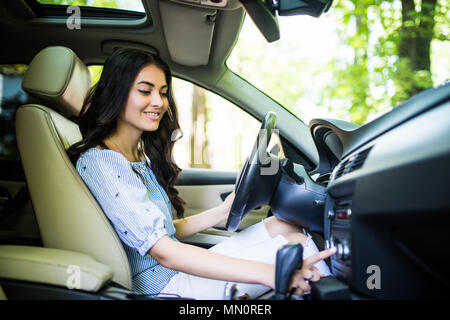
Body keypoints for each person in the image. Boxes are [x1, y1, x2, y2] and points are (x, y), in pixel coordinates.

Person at [68, 48, 336, 300]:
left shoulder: (136, 156)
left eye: (162, 93)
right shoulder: (103, 163)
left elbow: (166, 230)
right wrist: (271, 274)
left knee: (284, 226)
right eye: (145, 91)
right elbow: (164, 252)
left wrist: (223, 211)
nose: (158, 102)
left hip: (174, 272)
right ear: (117, 93)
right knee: (301, 246)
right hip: (163, 288)